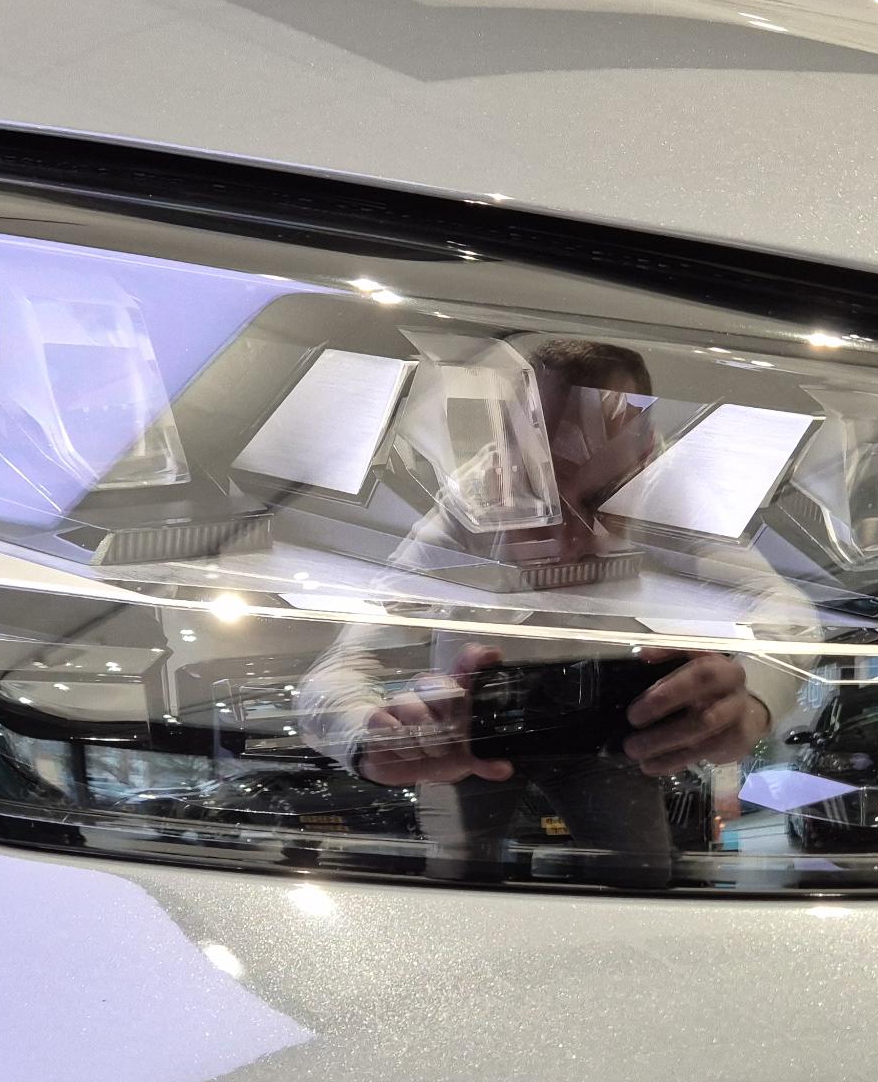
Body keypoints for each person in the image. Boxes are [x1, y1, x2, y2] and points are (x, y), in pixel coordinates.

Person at [299, 337, 800, 886]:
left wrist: (751, 702)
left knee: (634, 883)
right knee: (478, 890)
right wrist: (372, 737)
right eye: (533, 492)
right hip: (478, 739)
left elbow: (783, 608)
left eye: (604, 497)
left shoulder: (671, 501)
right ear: (500, 452)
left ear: (648, 454)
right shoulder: (463, 511)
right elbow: (342, 666)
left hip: (592, 742)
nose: (566, 540)